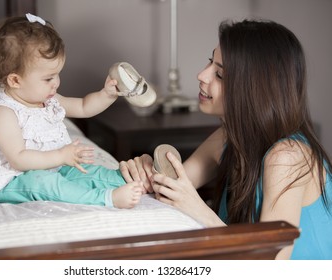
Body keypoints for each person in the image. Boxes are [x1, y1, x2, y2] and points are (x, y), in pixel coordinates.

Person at [119, 19, 332, 259]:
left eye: (220, 74)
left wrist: (198, 209)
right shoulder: (228, 137)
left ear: (255, 89)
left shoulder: (288, 157)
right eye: (211, 61)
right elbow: (171, 185)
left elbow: (272, 264)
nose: (201, 75)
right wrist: (146, 171)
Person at [0, 14, 145, 209]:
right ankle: (106, 198)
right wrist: (61, 156)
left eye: (57, 74)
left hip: (52, 166)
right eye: (48, 78)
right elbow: (19, 159)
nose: (57, 83)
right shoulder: (4, 114)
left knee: (86, 171)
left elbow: (84, 107)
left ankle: (124, 180)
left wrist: (107, 94)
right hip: (11, 180)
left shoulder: (49, 100)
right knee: (44, 183)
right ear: (15, 80)